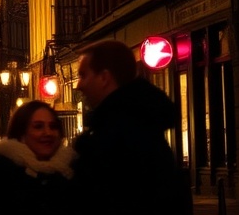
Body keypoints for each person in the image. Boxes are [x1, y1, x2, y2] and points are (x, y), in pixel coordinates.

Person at [71, 40, 190, 215]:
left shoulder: (119, 139)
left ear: (104, 78)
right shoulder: (137, 126)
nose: (78, 85)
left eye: (83, 75)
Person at [0, 100, 76, 215]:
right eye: (38, 127)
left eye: (53, 126)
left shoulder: (70, 171)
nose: (48, 132)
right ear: (21, 134)